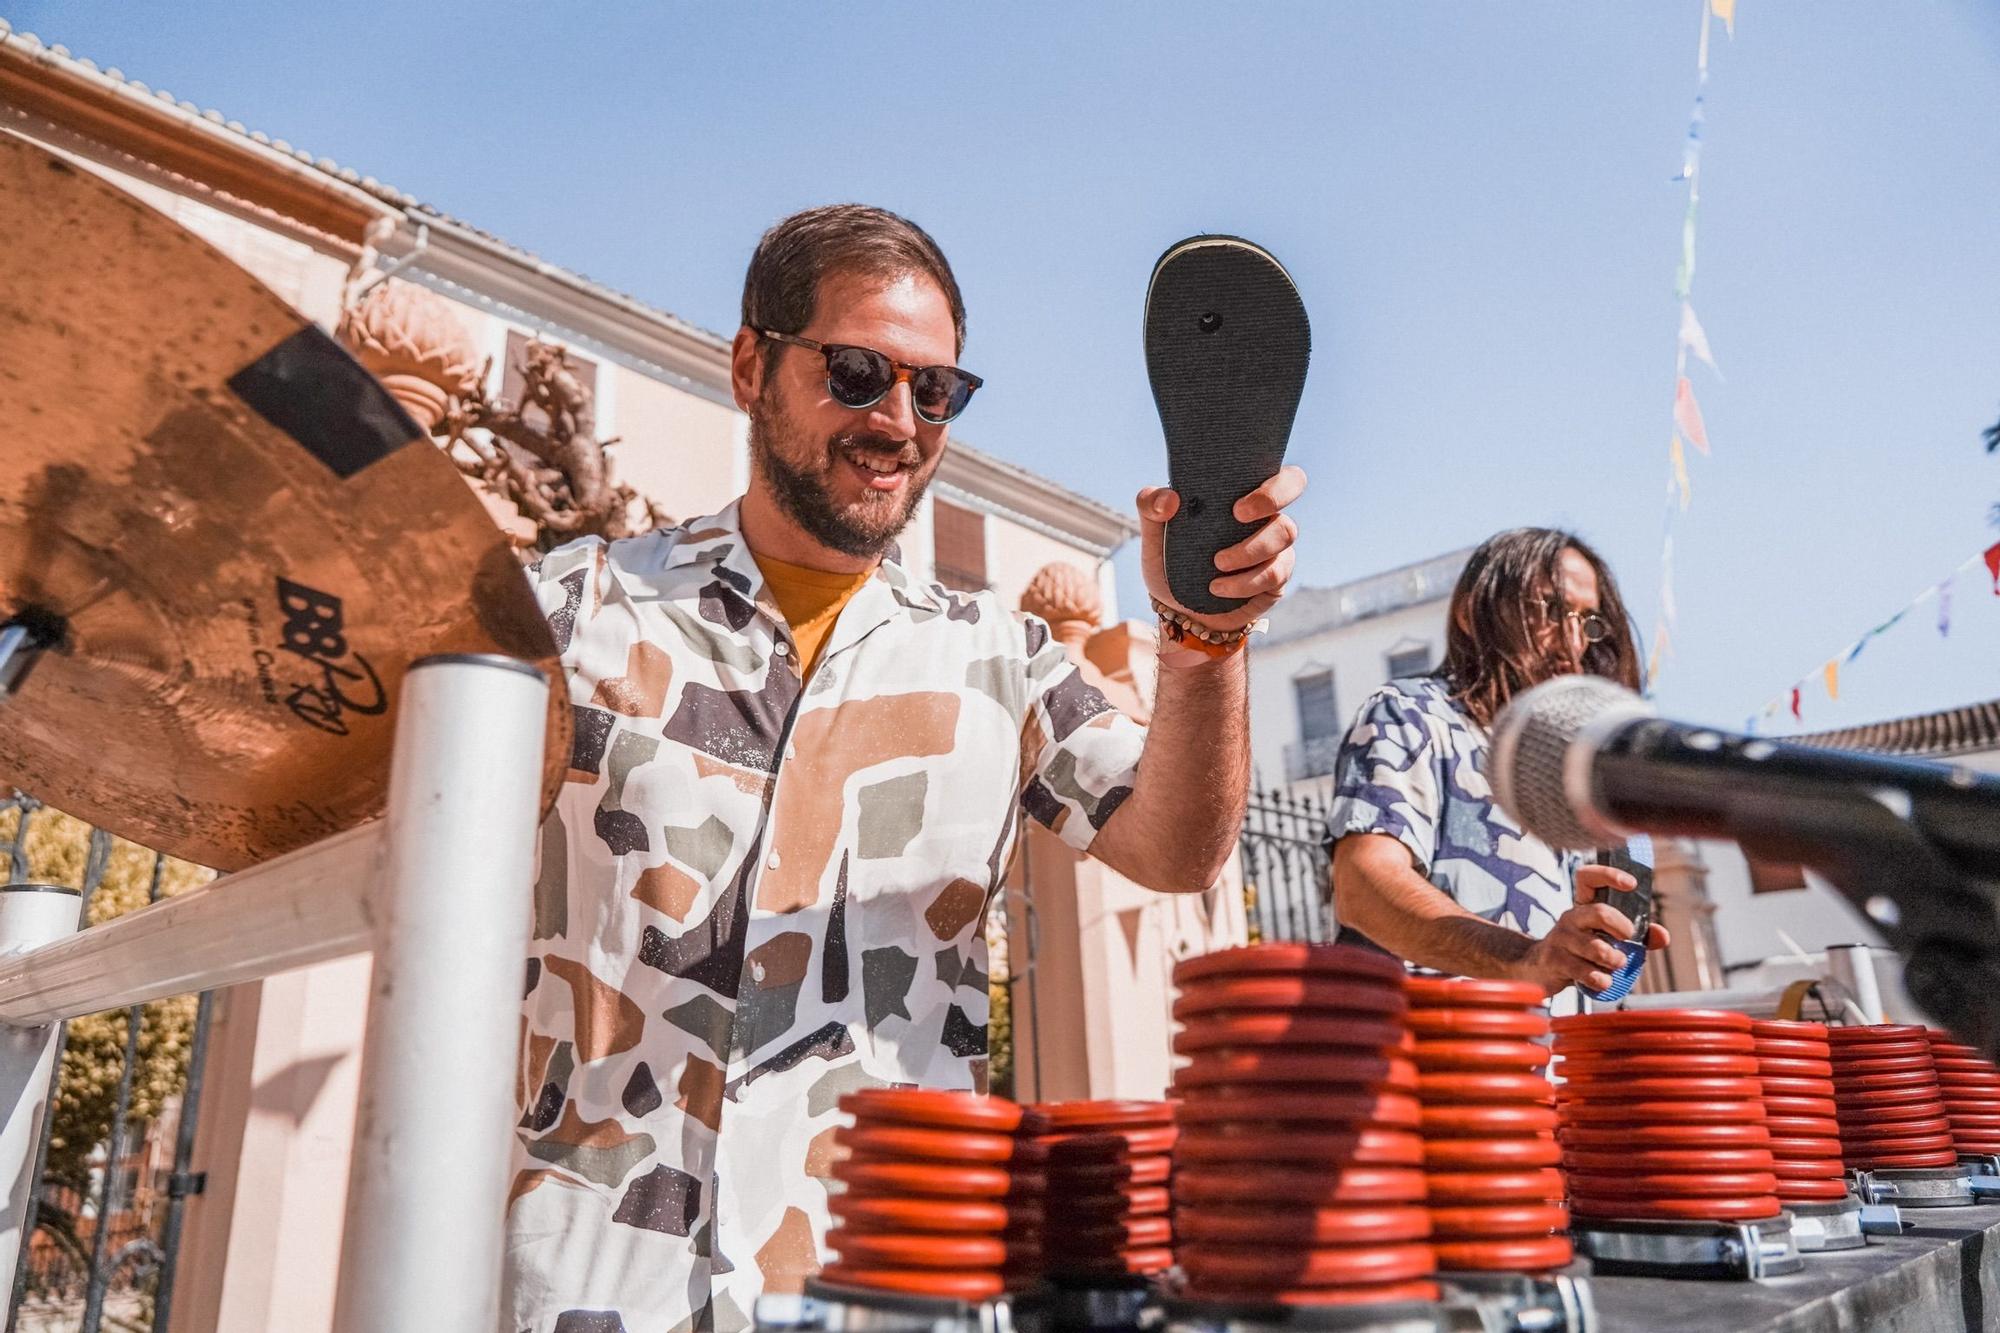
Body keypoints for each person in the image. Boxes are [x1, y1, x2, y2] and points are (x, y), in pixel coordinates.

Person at [504, 204, 1306, 1332]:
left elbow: (1175, 847)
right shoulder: (568, 609)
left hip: (883, 1291)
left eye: (935, 392)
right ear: (750, 366)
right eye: (856, 372)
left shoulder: (1003, 658)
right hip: (588, 1293)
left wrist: (1204, 637)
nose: (898, 419)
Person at [1324, 527, 1668, 996]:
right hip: (1426, 1059)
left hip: (1544, 1065)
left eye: (1588, 622)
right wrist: (1526, 958)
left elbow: (1568, 962)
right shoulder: (1412, 713)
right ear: (1472, 612)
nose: (1571, 641)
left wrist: (1596, 950)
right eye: (1549, 610)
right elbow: (1364, 889)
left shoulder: (1566, 774)